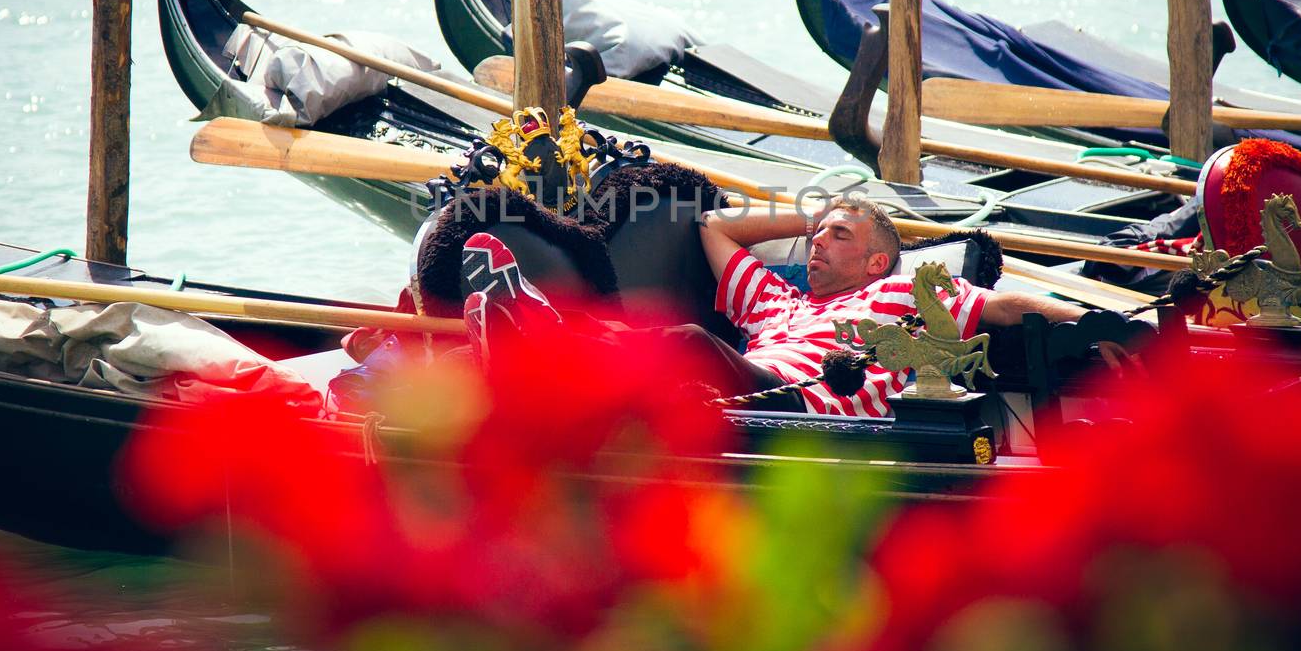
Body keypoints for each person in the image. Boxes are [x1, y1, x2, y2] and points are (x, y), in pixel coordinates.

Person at [454, 198, 1086, 417]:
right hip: (738, 390)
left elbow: (1004, 309)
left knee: (686, 342)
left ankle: (536, 338)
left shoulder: (908, 293)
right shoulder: (775, 300)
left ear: (876, 262)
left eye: (839, 237)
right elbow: (713, 228)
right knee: (659, 347)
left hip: (805, 403)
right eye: (817, 237)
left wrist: (1098, 324)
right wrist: (815, 212)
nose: (817, 244)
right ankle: (534, 351)